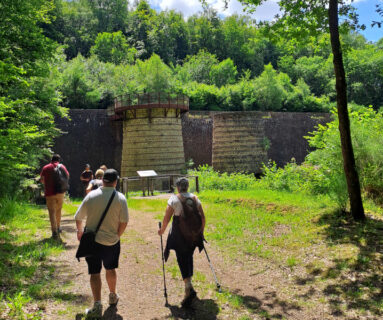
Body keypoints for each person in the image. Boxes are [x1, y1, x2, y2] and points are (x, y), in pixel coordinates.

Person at [75, 169, 128, 318]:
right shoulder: (120, 198)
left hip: (92, 241)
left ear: (102, 180)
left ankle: (97, 304)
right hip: (111, 241)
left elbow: (78, 217)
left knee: (94, 272)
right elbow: (124, 222)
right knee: (110, 269)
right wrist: (117, 235)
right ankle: (112, 295)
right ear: (116, 181)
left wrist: (80, 232)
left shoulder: (91, 196)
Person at [158, 177, 206, 307]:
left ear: (178, 187)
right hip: (193, 235)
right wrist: (200, 232)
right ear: (188, 186)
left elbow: (167, 217)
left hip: (179, 234)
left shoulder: (174, 199)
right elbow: (202, 217)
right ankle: (189, 284)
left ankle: (188, 287)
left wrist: (162, 230)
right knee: (188, 256)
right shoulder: (195, 198)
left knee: (181, 258)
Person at [40, 154, 70, 239]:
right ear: (59, 160)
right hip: (60, 192)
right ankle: (58, 227)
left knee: (52, 212)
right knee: (58, 210)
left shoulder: (46, 167)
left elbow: (42, 180)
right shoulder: (62, 167)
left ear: (51, 159)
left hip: (50, 193)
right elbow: (67, 176)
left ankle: (54, 231)